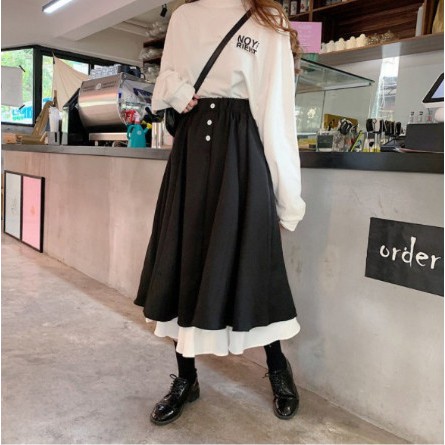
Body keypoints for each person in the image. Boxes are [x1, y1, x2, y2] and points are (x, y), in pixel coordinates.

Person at [134, 0, 306, 425]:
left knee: (254, 261)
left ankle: (278, 367)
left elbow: (276, 112)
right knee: (184, 259)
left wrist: (288, 198)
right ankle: (186, 378)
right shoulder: (184, 17)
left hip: (242, 152)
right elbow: (165, 81)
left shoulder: (267, 17)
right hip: (191, 150)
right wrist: (176, 91)